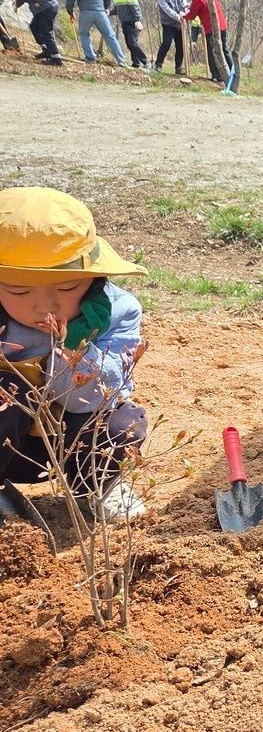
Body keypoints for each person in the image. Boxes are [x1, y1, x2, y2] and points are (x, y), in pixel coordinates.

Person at [0, 187, 149, 521]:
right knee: (10, 392)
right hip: (8, 442)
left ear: (93, 278)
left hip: (67, 443)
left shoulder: (118, 312)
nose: (45, 305)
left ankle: (99, 486)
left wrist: (74, 345)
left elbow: (101, 397)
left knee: (124, 423)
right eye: (19, 290)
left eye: (67, 287)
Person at [65, 0, 126, 66]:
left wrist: (70, 13)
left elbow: (69, 2)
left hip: (85, 12)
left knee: (84, 34)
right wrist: (105, 7)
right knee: (110, 35)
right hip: (100, 12)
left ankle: (90, 58)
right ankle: (121, 61)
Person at [179, 0, 232, 83]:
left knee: (211, 52)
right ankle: (232, 72)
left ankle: (216, 75)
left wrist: (183, 16)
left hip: (211, 28)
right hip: (222, 25)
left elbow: (191, 15)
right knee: (224, 49)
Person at [106, 0, 149, 69]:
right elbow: (117, 9)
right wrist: (109, 12)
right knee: (129, 44)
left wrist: (138, 20)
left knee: (132, 43)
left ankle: (145, 61)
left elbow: (135, 8)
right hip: (124, 22)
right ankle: (136, 63)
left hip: (133, 22)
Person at [153, 0, 188, 75]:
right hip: (168, 23)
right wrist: (177, 16)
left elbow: (185, 5)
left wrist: (185, 14)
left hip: (180, 24)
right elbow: (166, 9)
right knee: (166, 43)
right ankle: (158, 65)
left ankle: (179, 68)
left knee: (180, 46)